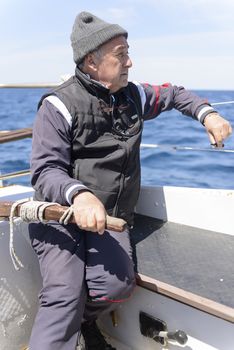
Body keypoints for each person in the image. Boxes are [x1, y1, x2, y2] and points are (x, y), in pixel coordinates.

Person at [29, 11, 232, 350]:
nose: (130, 62)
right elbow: (45, 170)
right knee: (63, 295)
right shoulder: (58, 105)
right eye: (121, 54)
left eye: (128, 52)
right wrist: (78, 196)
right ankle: (69, 327)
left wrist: (207, 113)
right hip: (60, 216)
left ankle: (83, 323)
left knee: (116, 287)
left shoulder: (133, 95)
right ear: (92, 62)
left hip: (109, 218)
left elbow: (174, 94)